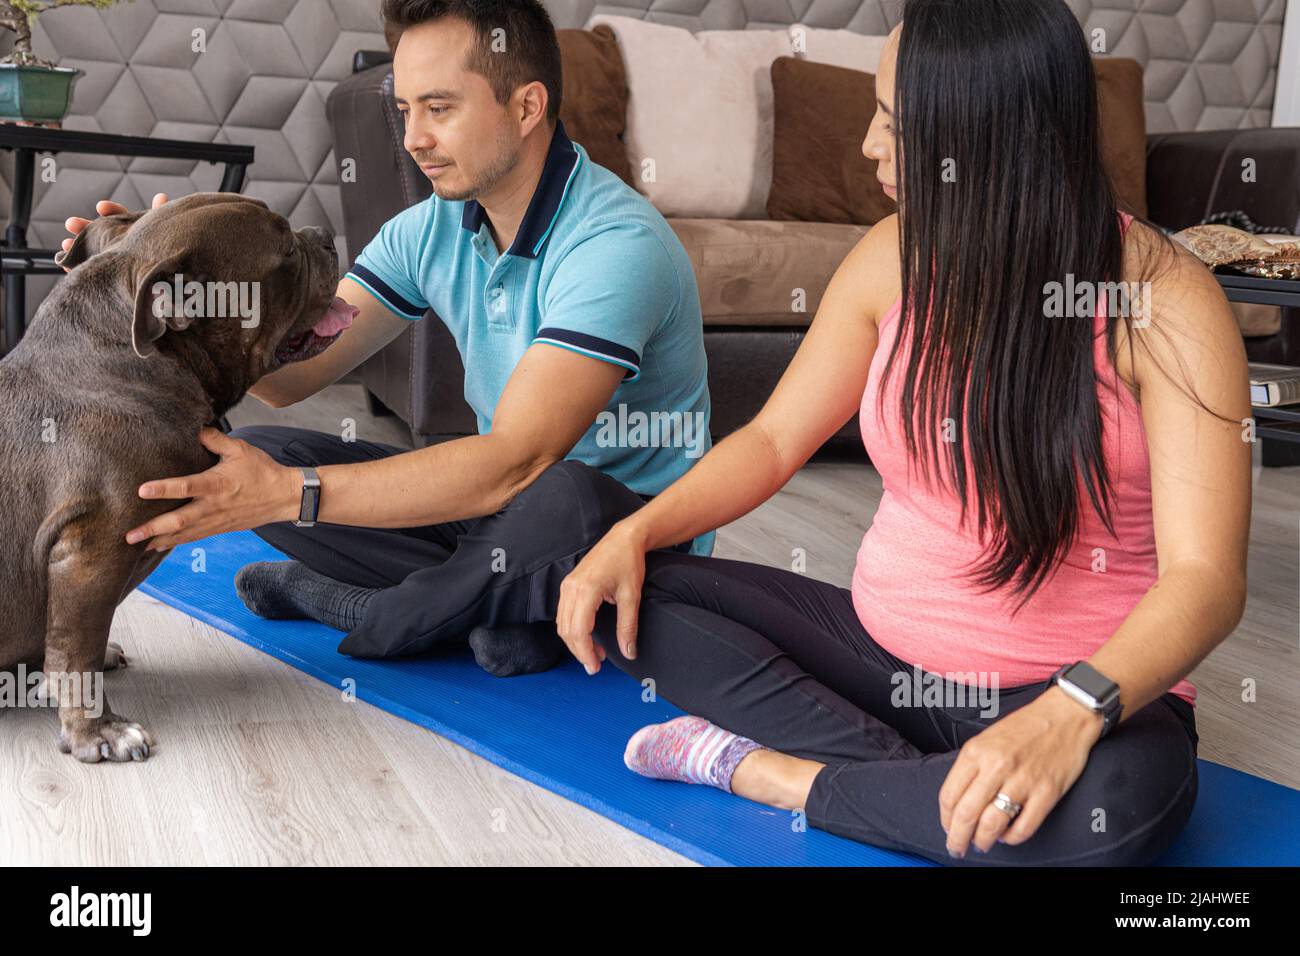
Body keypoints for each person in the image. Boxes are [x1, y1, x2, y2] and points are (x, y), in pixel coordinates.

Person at [549, 0, 1251, 865]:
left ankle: (770, 773)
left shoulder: (1169, 301)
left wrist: (1070, 714)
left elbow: (1207, 578)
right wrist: (635, 530)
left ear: (988, 136)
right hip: (882, 663)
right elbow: (772, 441)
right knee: (638, 594)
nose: (872, 146)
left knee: (1119, 821)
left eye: (896, 121)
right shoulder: (891, 256)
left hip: (1080, 690)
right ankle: (945, 791)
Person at [64, 0, 713, 676]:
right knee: (254, 452)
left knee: (567, 493)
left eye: (439, 109)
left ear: (526, 108)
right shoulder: (431, 227)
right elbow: (290, 379)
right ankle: (493, 612)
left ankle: (356, 606)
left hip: (624, 542)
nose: (412, 140)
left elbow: (518, 461)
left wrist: (294, 494)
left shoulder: (614, 245)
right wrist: (179, 296)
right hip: (498, 520)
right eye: (405, 111)